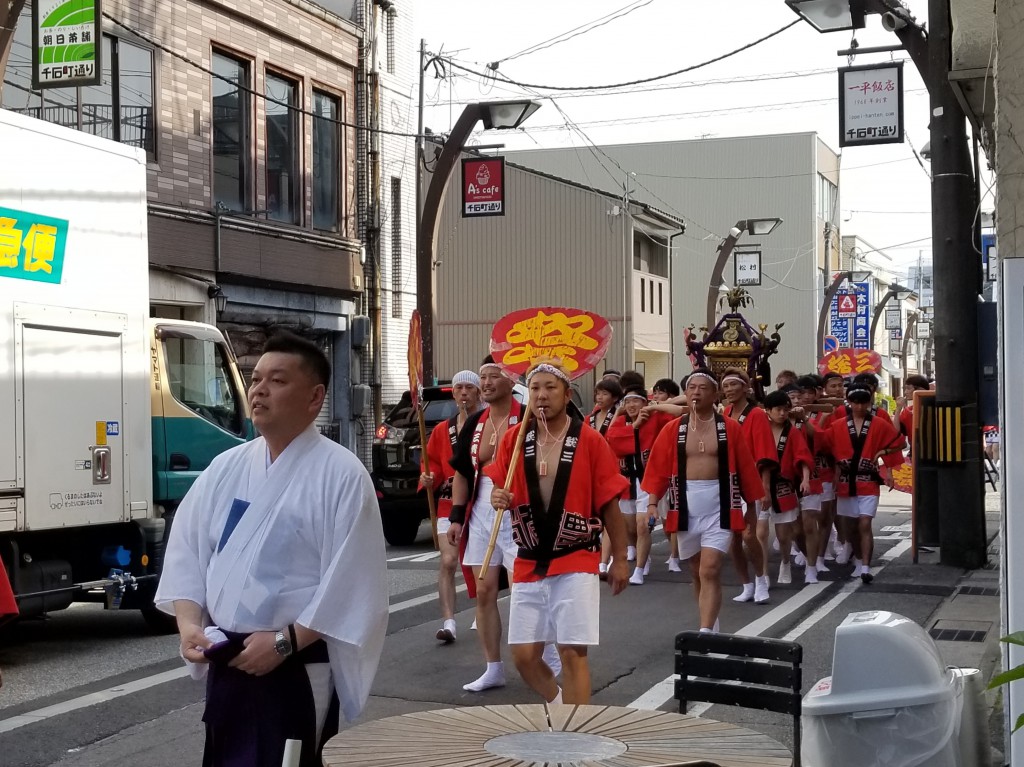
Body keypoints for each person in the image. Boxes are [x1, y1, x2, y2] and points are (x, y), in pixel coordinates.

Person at [155, 331, 388, 767]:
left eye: (277, 381)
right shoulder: (227, 467)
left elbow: (352, 581)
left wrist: (284, 643)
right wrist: (190, 626)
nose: (259, 389)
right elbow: (187, 550)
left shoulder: (342, 475)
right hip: (228, 657)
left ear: (315, 397)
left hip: (295, 661)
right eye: (256, 378)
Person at [489, 359, 631, 704]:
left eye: (550, 388)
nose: (541, 395)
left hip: (576, 556)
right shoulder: (514, 439)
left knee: (572, 652)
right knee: (523, 655)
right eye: (535, 388)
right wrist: (498, 497)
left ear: (567, 395)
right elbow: (499, 486)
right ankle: (556, 700)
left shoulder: (591, 440)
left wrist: (621, 560)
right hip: (529, 559)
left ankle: (576, 736)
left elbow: (610, 504)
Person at [447, 358, 559, 691]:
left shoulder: (529, 416)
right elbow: (462, 473)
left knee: (527, 588)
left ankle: (548, 654)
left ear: (511, 381)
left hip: (520, 506)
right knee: (484, 590)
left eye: (494, 377)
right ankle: (492, 667)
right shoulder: (476, 422)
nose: (486, 383)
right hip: (482, 508)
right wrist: (455, 516)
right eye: (483, 377)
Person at [641, 369, 764, 633]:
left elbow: (745, 468)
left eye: (703, 388)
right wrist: (652, 503)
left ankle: (706, 630)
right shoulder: (673, 429)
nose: (696, 392)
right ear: (685, 394)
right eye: (691, 388)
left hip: (719, 505)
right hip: (684, 506)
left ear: (715, 394)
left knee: (710, 568)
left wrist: (750, 510)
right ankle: (709, 619)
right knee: (696, 570)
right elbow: (659, 468)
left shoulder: (729, 428)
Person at [816, 383, 906, 583]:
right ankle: (857, 558)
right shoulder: (838, 425)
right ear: (849, 402)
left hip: (868, 481)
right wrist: (814, 420)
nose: (858, 407)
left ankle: (865, 566)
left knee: (865, 523)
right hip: (846, 482)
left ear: (869, 403)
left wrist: (883, 453)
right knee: (850, 528)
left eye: (863, 403)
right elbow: (821, 443)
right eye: (855, 402)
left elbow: (900, 442)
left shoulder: (879, 424)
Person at [420, 370, 482, 643]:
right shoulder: (443, 430)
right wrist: (428, 477)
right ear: (453, 393)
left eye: (470, 387)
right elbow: (430, 462)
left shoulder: (487, 423)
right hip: (448, 503)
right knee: (448, 561)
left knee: (481, 564)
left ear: (479, 392)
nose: (464, 392)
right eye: (459, 388)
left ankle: (484, 609)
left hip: (480, 502)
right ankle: (449, 622)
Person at [604, 386, 674, 584]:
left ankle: (640, 568)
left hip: (648, 479)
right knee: (630, 528)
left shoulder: (656, 418)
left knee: (643, 526)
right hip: (626, 481)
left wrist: (655, 408)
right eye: (627, 402)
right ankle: (642, 555)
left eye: (636, 400)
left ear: (645, 402)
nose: (631, 405)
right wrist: (631, 425)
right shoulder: (621, 422)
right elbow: (613, 441)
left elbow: (683, 411)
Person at [719, 367, 774, 604]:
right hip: (726, 481)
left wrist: (765, 487)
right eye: (725, 386)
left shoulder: (757, 414)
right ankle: (746, 584)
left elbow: (765, 453)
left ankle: (762, 580)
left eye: (733, 385)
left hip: (749, 481)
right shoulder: (726, 413)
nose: (729, 390)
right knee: (732, 539)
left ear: (745, 387)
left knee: (749, 535)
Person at [759, 390, 815, 585]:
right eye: (778, 409)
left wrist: (805, 479)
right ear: (767, 410)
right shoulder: (759, 430)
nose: (782, 414)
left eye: (785, 409)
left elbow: (803, 457)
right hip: (761, 487)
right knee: (760, 533)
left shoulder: (791, 431)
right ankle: (763, 574)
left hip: (784, 486)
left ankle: (785, 562)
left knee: (785, 535)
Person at [650, 378, 683, 571]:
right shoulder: (654, 413)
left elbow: (681, 403)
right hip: (660, 467)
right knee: (664, 515)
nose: (655, 397)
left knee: (675, 513)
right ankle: (675, 552)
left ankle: (675, 555)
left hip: (677, 468)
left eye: (660, 392)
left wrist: (662, 405)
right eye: (655, 393)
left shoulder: (672, 411)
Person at [896, 374, 930, 449]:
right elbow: (896, 432)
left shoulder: (933, 408)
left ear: (920, 389)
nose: (905, 392)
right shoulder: (906, 412)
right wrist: (898, 409)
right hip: (915, 451)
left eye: (908, 388)